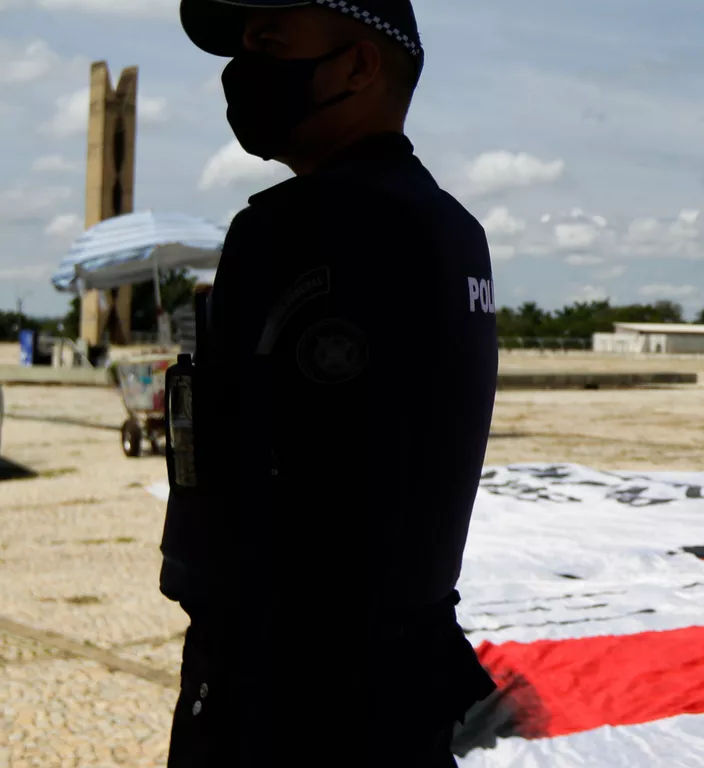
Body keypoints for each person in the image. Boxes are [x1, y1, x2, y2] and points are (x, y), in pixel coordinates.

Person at [163, 1, 497, 765]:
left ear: (357, 65)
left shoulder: (298, 227)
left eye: (270, 41)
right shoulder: (449, 227)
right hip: (400, 672)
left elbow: (257, 490)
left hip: (290, 697)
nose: (242, 69)